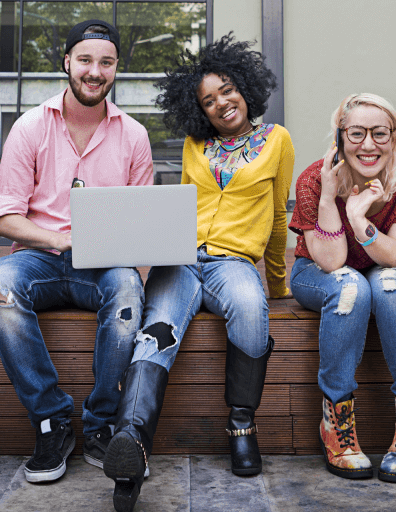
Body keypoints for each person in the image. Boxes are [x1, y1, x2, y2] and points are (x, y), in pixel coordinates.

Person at [102, 34, 294, 512]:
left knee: (252, 310)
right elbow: (182, 205)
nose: (221, 103)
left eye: (227, 90)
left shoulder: (277, 141)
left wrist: (277, 282)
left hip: (233, 262)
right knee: (155, 332)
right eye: (208, 100)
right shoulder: (195, 144)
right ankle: (131, 444)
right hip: (182, 259)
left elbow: (276, 217)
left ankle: (242, 423)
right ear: (199, 111)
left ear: (245, 88)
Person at [0, 20, 153, 484]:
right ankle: (51, 421)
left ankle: (100, 423)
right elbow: (5, 219)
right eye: (85, 60)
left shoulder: (134, 135)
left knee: (126, 288)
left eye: (105, 62)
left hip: (101, 265)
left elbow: (141, 222)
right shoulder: (30, 127)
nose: (94, 71)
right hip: (39, 257)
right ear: (67, 63)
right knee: (0, 283)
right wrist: (60, 239)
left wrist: (129, 257)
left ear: (117, 68)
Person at [289, 93, 396, 483]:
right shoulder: (313, 178)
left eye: (379, 133)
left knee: (387, 285)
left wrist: (358, 217)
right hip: (316, 271)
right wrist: (331, 197)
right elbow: (331, 262)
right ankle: (335, 419)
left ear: (394, 136)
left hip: (386, 265)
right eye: (356, 133)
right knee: (350, 286)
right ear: (340, 136)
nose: (368, 145)